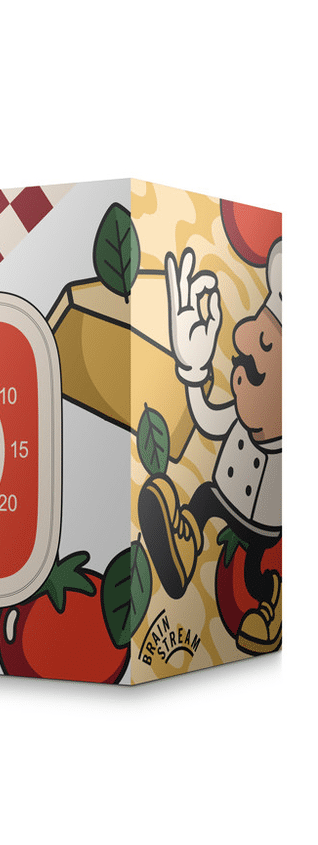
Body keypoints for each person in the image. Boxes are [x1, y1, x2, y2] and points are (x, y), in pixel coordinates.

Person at [138, 240, 282, 653]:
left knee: (257, 571)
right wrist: (193, 365)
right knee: (202, 499)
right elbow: (206, 418)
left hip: (265, 524)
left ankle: (269, 609)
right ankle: (182, 549)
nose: (240, 375)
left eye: (265, 348)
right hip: (222, 494)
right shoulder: (239, 415)